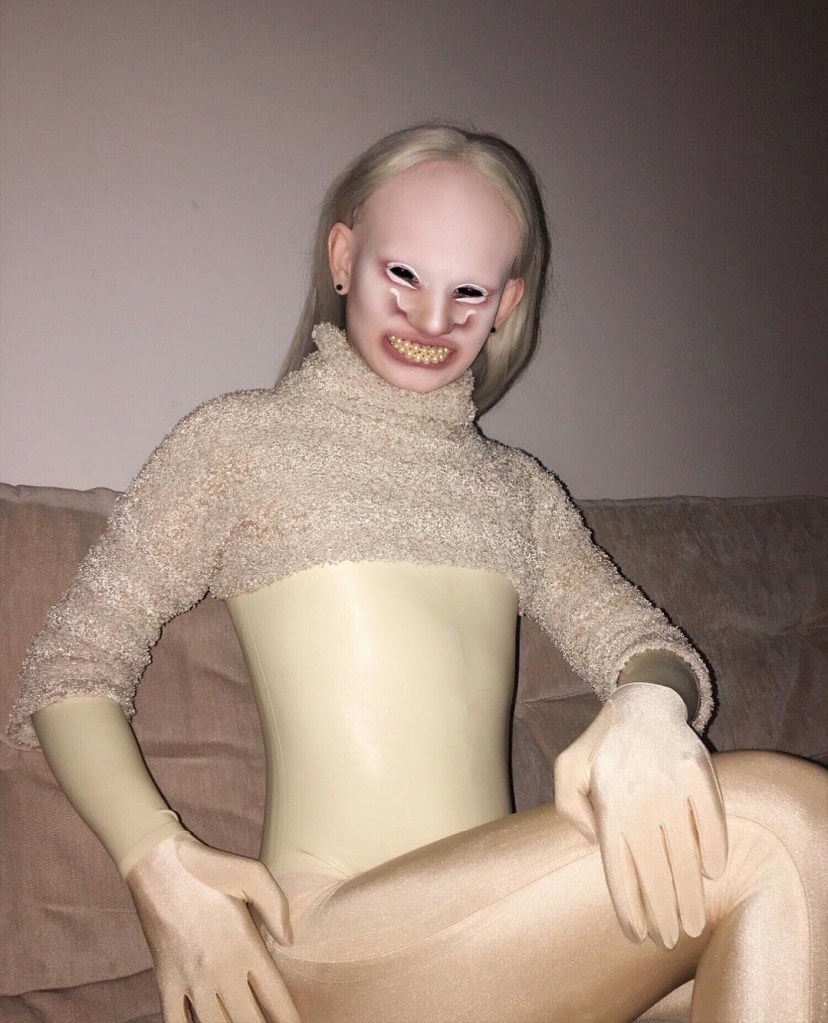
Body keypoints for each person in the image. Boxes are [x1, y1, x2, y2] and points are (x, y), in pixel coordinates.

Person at [9, 124, 827, 1023]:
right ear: (344, 258)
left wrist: (649, 703)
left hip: (510, 943)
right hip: (332, 940)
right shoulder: (240, 443)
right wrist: (158, 867)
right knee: (785, 827)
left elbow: (643, 642)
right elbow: (70, 666)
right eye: (403, 273)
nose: (433, 321)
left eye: (467, 291)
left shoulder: (518, 490)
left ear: (506, 303)